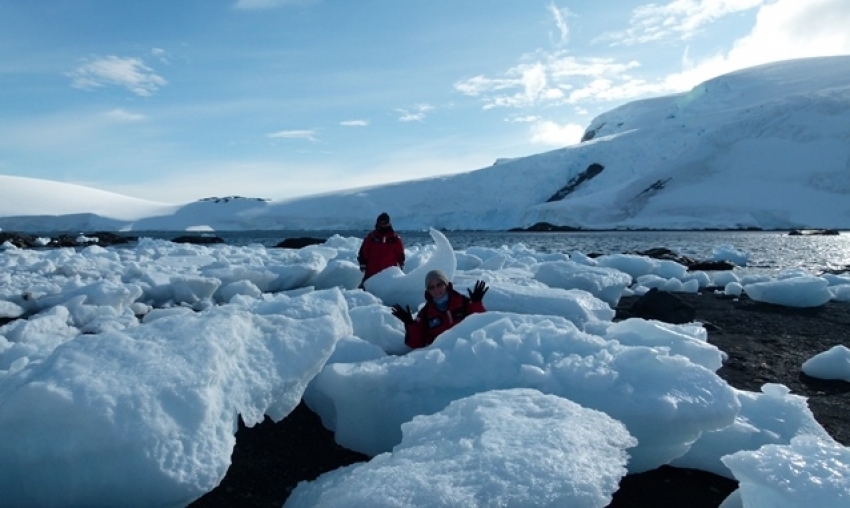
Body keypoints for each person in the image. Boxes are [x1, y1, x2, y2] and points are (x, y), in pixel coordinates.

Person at [392, 269, 488, 349]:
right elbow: (416, 344)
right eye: (432, 287)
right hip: (442, 359)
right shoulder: (425, 313)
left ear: (446, 284)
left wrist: (476, 304)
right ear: (428, 291)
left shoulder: (462, 302)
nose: (436, 290)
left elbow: (482, 326)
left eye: (439, 285)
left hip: (465, 350)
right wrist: (410, 324)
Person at [357, 212, 405, 287]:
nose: (382, 225)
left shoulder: (395, 239)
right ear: (377, 223)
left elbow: (400, 253)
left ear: (388, 223)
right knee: (363, 291)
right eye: (380, 223)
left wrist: (401, 263)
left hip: (388, 274)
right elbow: (364, 251)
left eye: (384, 223)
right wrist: (362, 263)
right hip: (372, 272)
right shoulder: (371, 237)